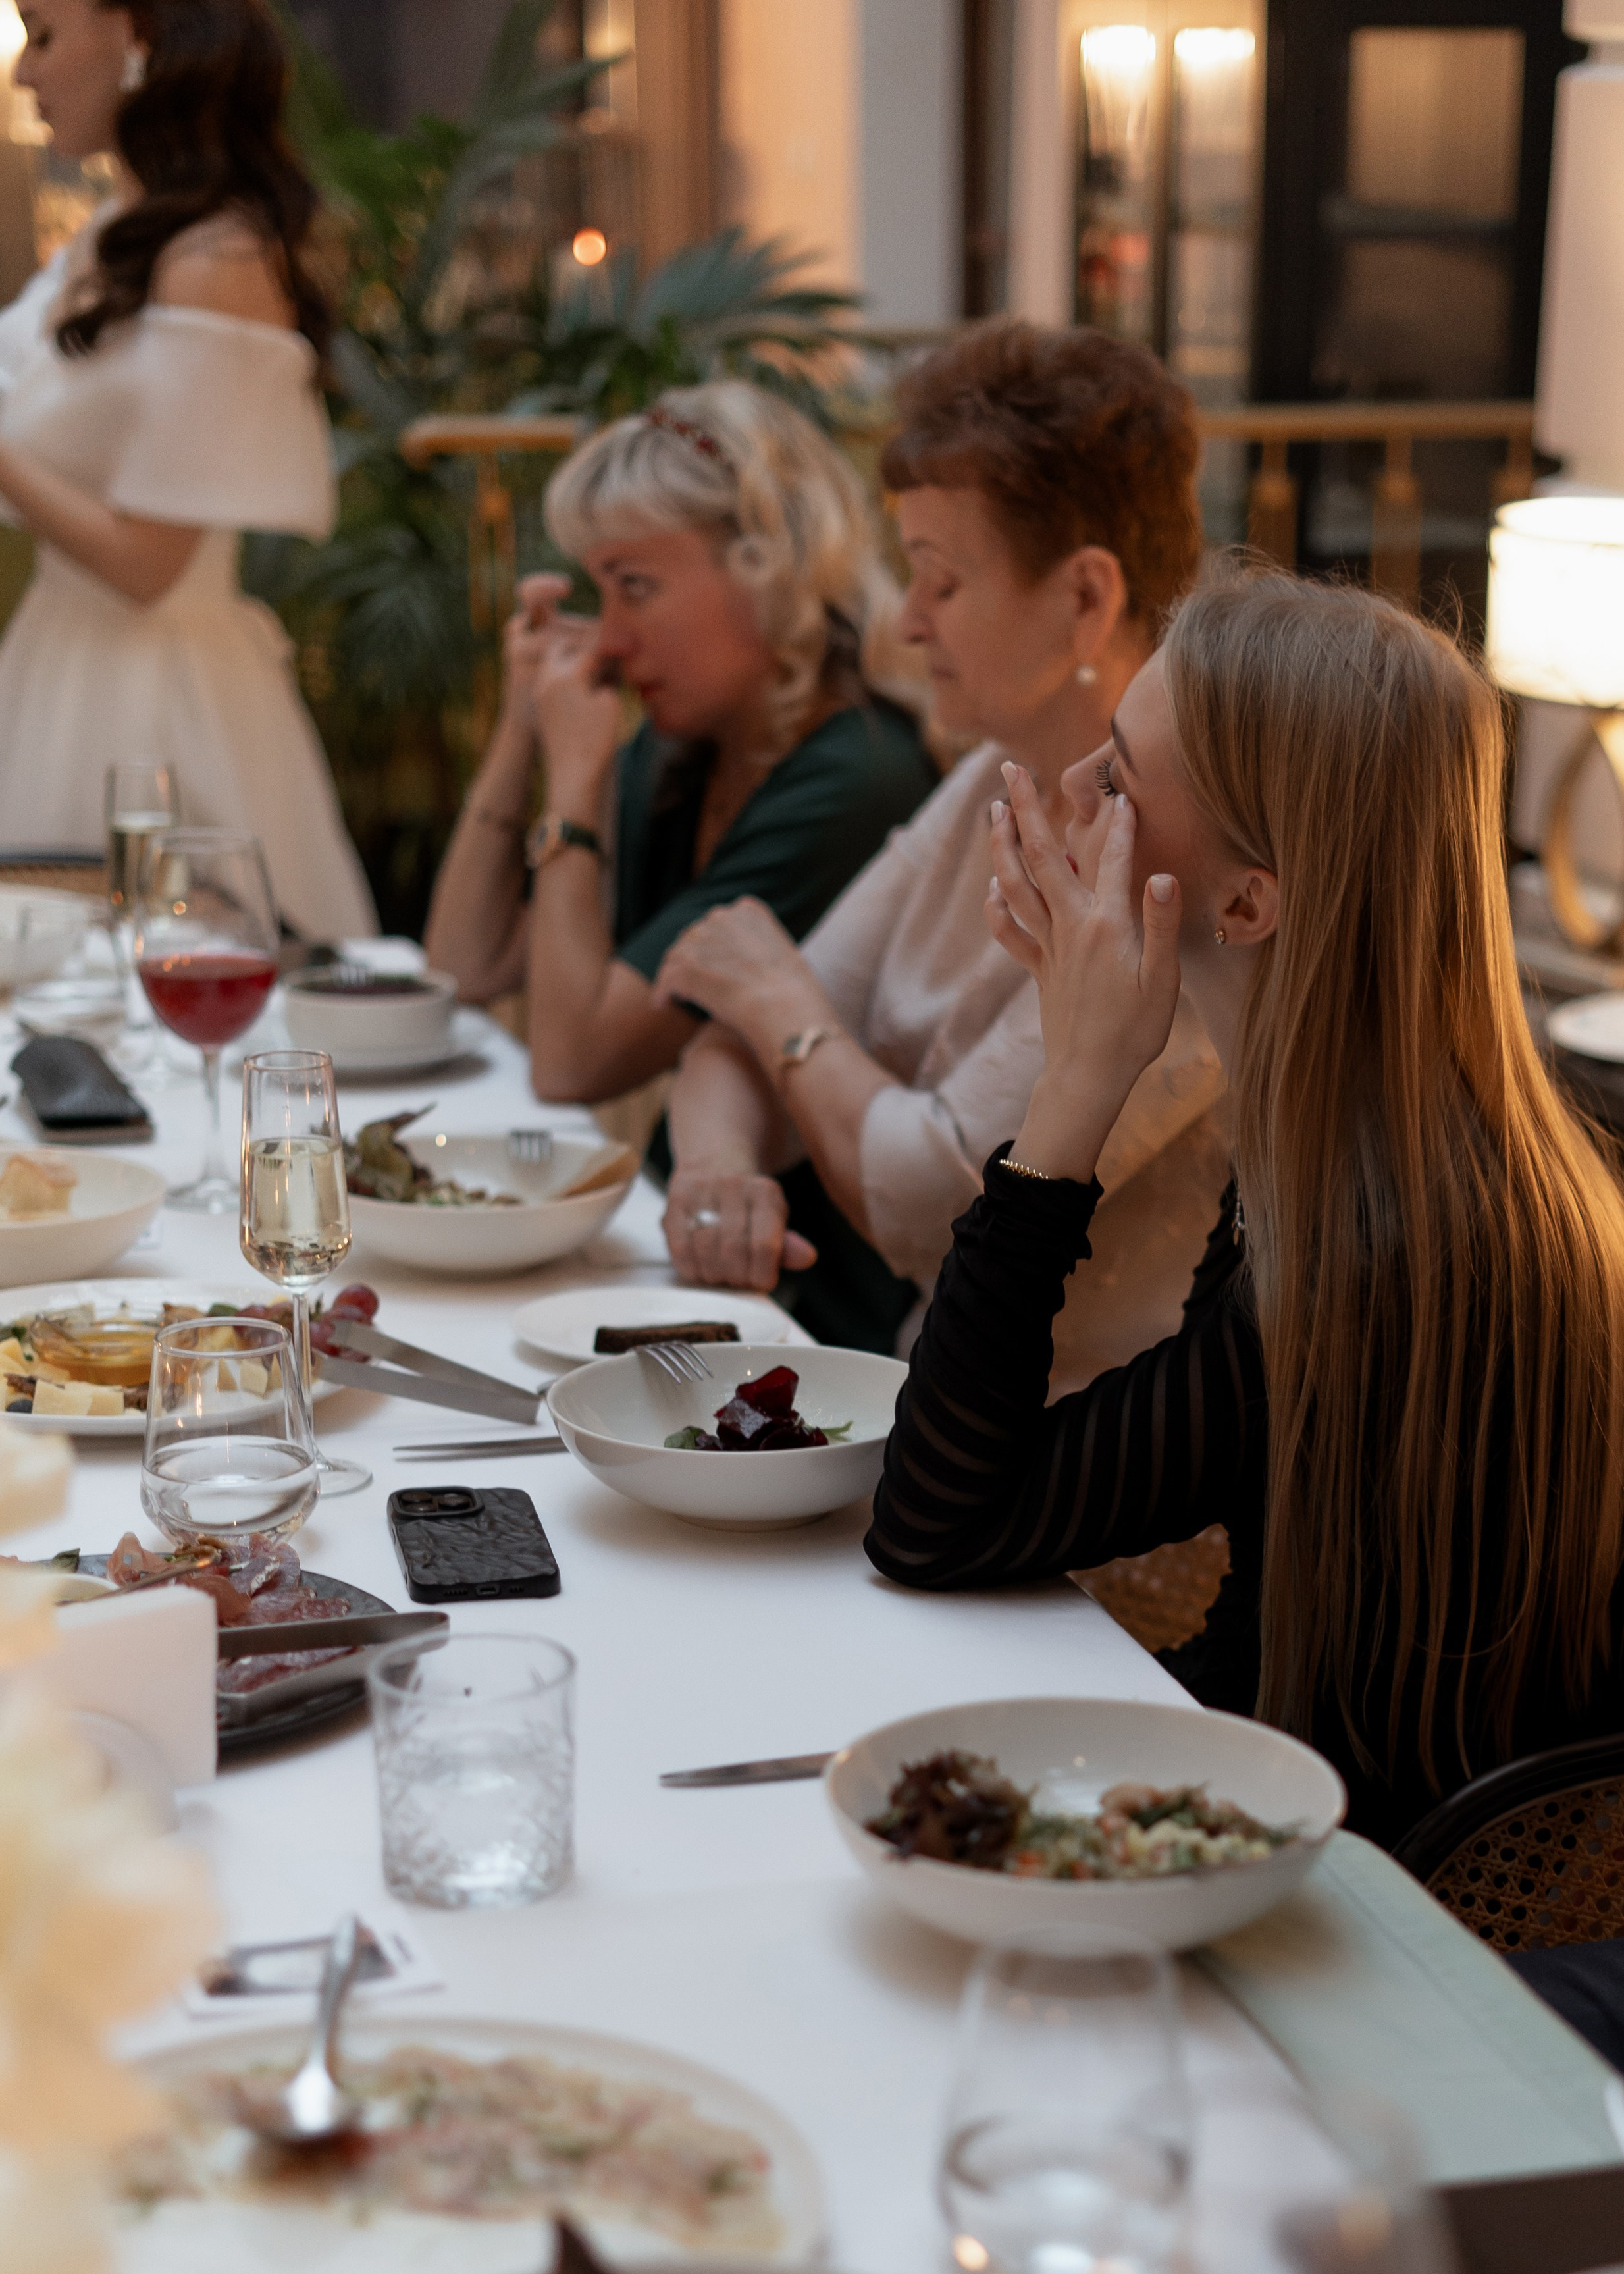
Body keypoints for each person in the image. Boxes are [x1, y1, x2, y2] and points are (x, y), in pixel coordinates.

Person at [867, 570, 1624, 1850]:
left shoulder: (1364, 1255)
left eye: (1114, 784)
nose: (1068, 804)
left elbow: (937, 1521)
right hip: (1359, 1849)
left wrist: (1075, 1089)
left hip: (1361, 1933)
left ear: (1244, 903)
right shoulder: (1426, 1156)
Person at [653, 321, 1224, 1359]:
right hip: (931, 1402)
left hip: (1074, 1470)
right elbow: (722, 1043)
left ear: (1086, 596)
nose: (907, 622)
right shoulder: (985, 780)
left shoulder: (1175, 873)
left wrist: (787, 1016)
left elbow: (932, 1204)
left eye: (941, 580)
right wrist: (719, 1175)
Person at [423, 383, 938, 1106]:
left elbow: (572, 1066)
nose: (608, 638)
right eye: (600, 593)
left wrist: (573, 785)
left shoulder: (856, 777)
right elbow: (463, 969)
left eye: (635, 586)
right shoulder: (694, 744)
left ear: (767, 570)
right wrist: (521, 726)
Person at [0, 0, 376, 941]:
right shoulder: (111, 239)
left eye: (41, 35)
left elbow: (147, 566)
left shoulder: (215, 257)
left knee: (172, 993)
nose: (22, 75)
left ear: (136, 38)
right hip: (60, 669)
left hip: (158, 705)